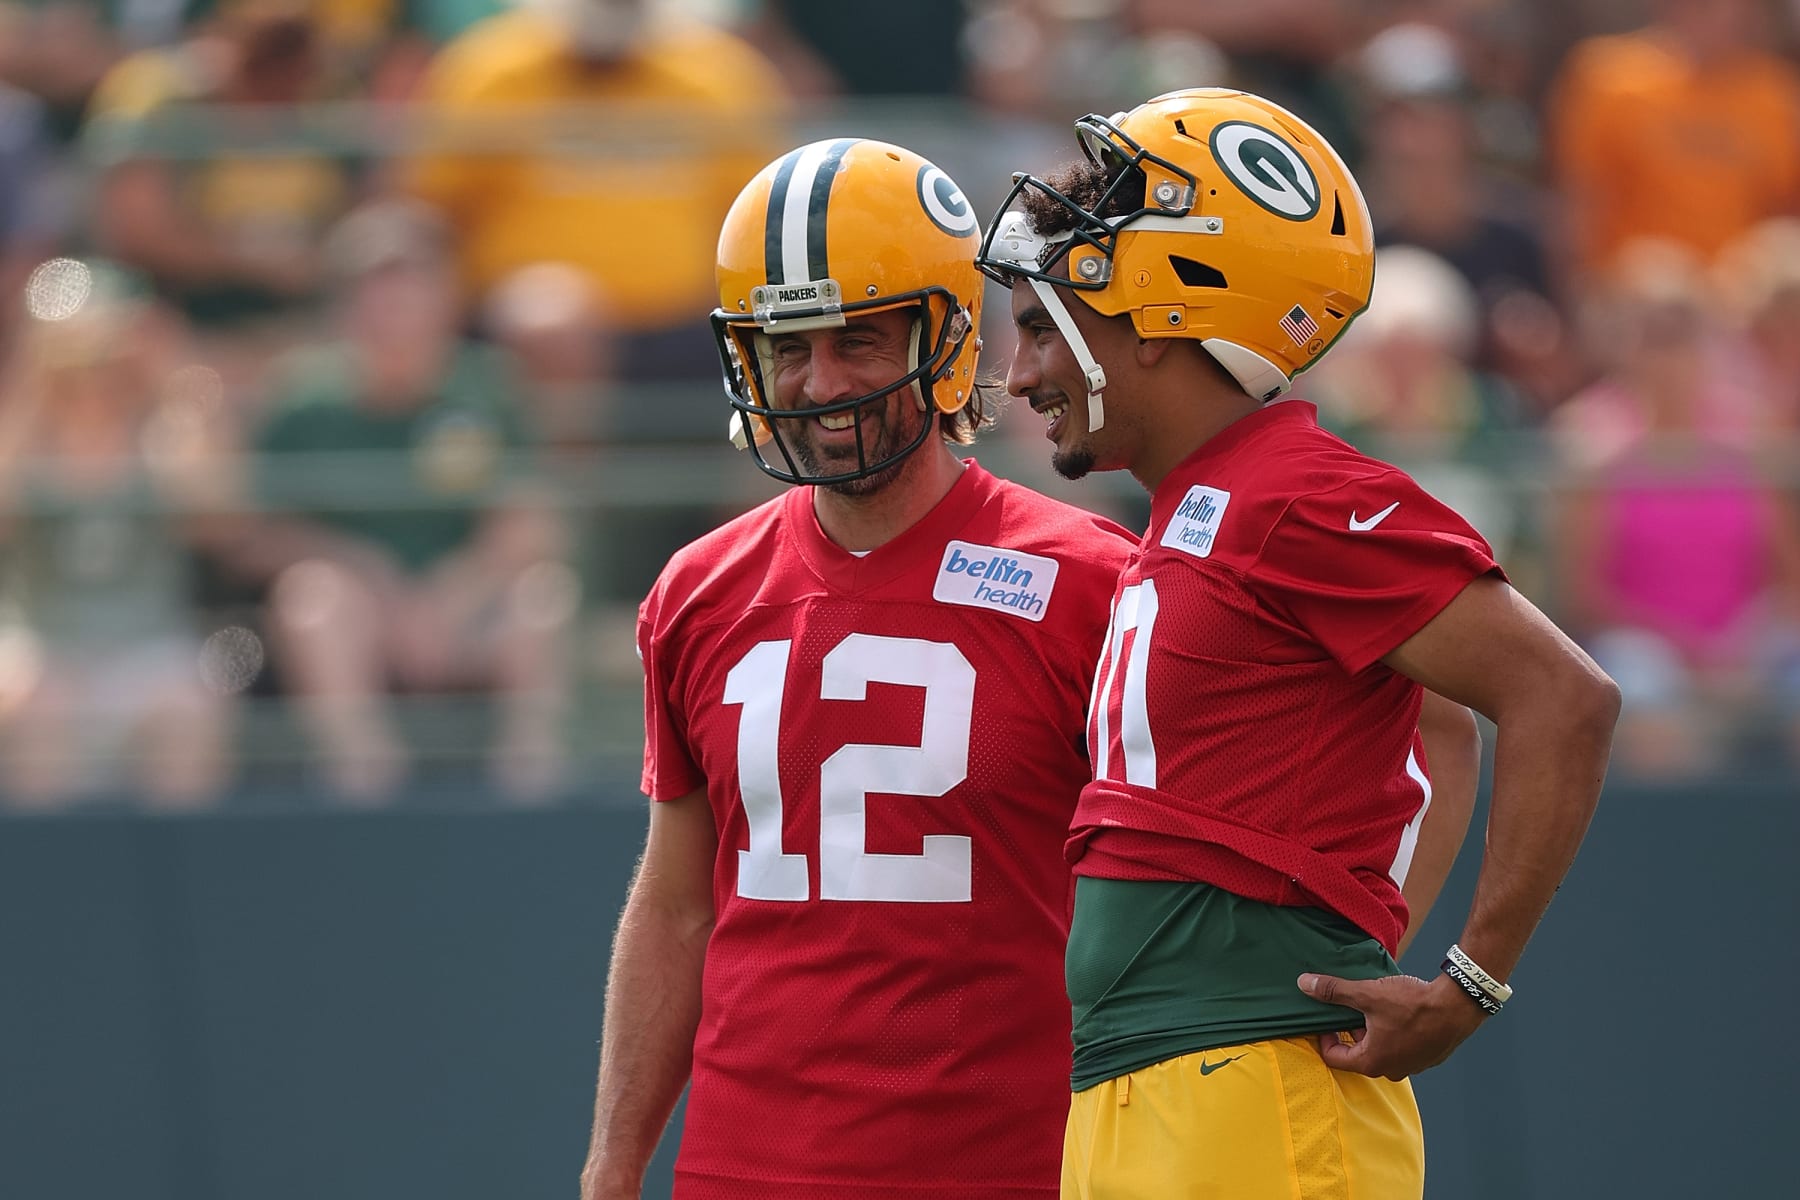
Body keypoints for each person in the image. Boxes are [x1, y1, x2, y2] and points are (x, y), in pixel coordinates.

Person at [578, 135, 1480, 1199]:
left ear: (948, 339)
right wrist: (614, 1164)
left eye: (859, 340)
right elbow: (677, 906)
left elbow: (1427, 720)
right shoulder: (698, 590)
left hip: (1017, 1159)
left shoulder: (1093, 578)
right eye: (786, 347)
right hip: (745, 1165)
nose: (818, 383)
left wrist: (1359, 957)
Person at [976, 88, 1620, 1199]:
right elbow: (1440, 724)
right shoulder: (1204, 504)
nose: (1022, 375)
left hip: (1254, 1090)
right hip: (1150, 1085)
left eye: (1044, 326)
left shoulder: (1293, 495)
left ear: (1161, 306)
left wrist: (1468, 983)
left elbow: (1564, 696)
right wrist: (1364, 936)